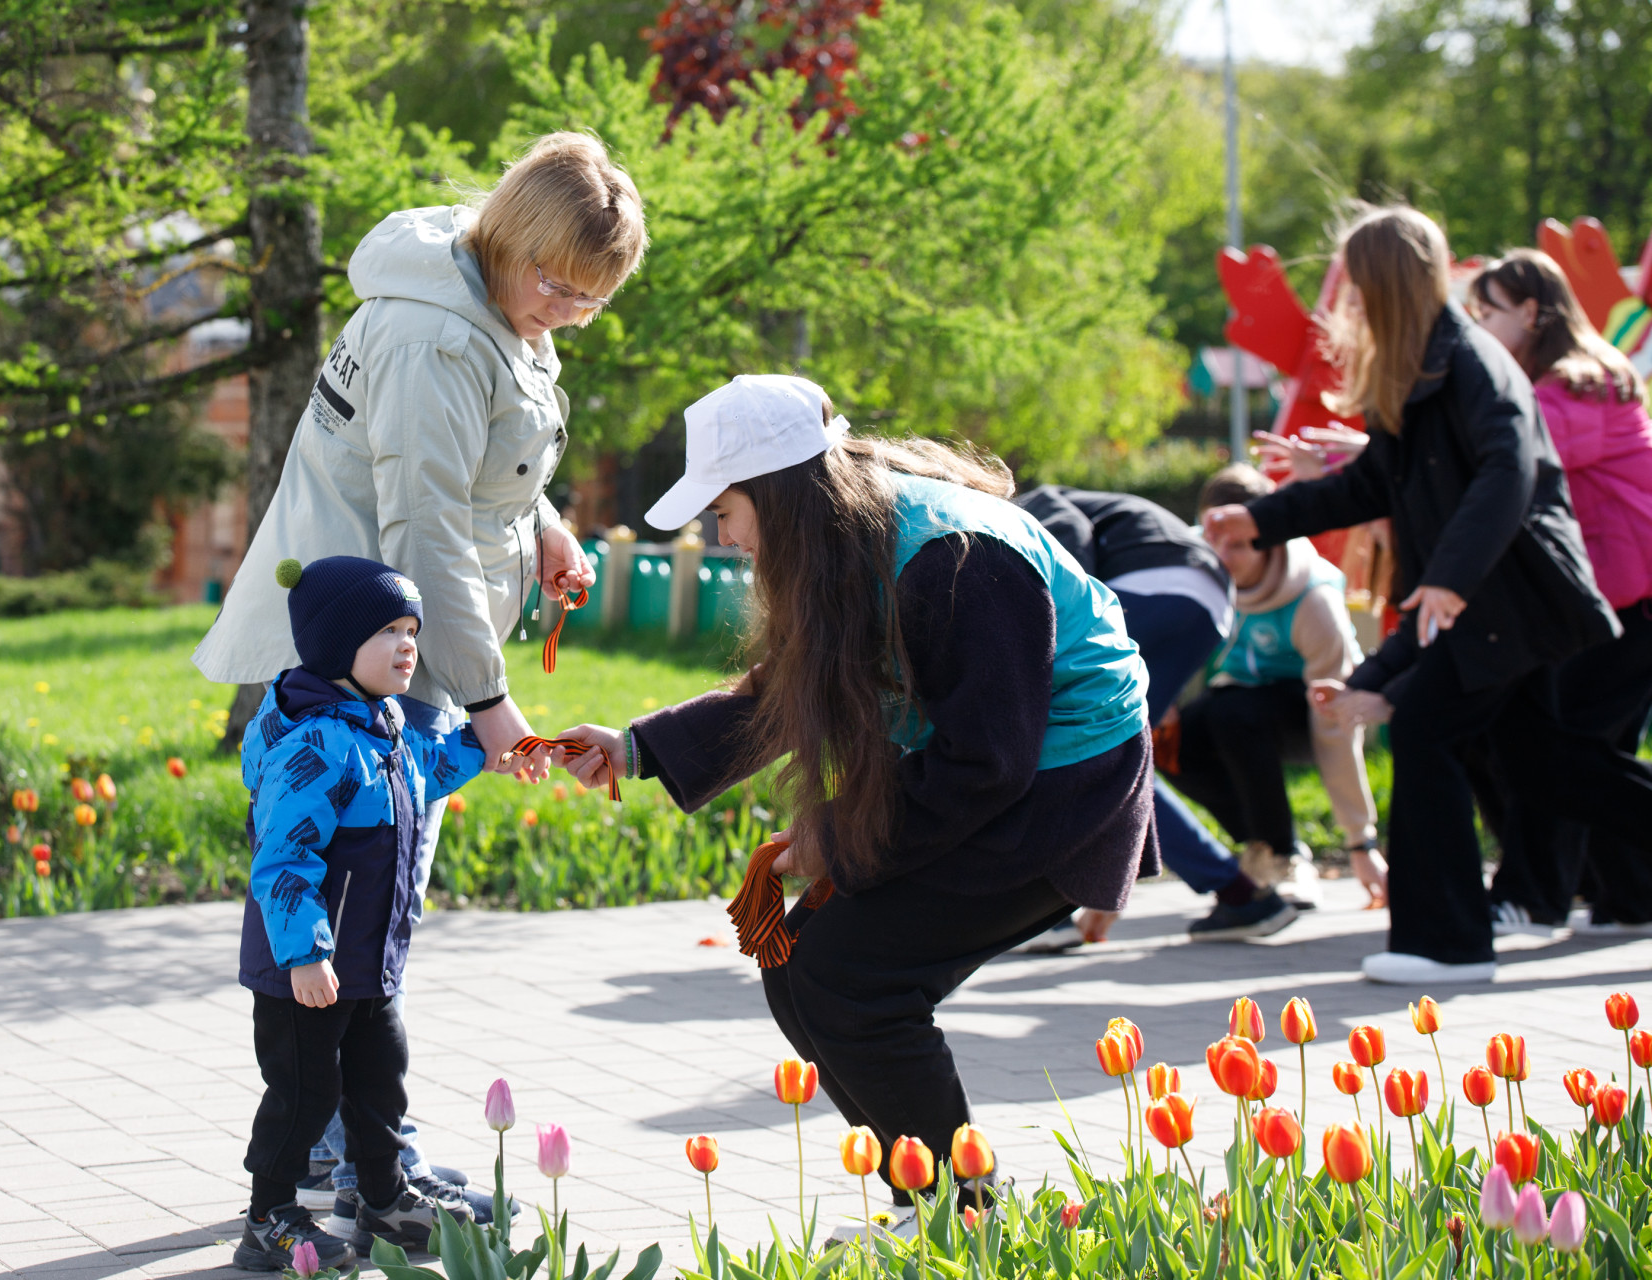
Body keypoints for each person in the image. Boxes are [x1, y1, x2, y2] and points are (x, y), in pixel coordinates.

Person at [559, 375, 1158, 1231]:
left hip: (1062, 791)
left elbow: (988, 761)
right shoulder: (852, 532)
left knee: (853, 977)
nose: (721, 537)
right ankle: (939, 1204)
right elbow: (801, 686)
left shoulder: (955, 560)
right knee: (802, 966)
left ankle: (960, 1212)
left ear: (779, 494)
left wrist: (837, 837)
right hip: (994, 778)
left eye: (725, 511)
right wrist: (636, 749)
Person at [194, 132, 647, 1215]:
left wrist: (542, 526)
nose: (571, 311)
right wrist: (490, 702)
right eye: (560, 283)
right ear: (516, 235)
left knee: (369, 915)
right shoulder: (431, 339)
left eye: (593, 297)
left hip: (395, 651)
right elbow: (426, 525)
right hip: (358, 671)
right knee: (347, 918)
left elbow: (476, 468)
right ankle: (349, 1154)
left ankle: (349, 1143)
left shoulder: (492, 301)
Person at [1204, 204, 1622, 985]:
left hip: (1506, 598)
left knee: (1429, 731)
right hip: (1484, 597)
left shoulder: (1471, 365)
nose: (1347, 303)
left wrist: (1446, 576)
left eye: (1357, 286)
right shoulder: (1419, 370)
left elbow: (1511, 472)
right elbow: (1370, 483)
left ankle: (1448, 944)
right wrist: (1258, 518)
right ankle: (1570, 905)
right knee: (1549, 763)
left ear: (1388, 282)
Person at [232, 556, 489, 1272]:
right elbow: (283, 861)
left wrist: (491, 746)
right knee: (304, 1096)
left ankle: (382, 1199)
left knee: (381, 1084)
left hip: (369, 966)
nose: (409, 644)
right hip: (306, 972)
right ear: (335, 644)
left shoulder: (383, 729)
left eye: (412, 629)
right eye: (387, 631)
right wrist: (307, 952)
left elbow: (431, 771)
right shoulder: (315, 747)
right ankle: (268, 1217)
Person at [1012, 484, 1297, 943]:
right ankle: (1242, 896)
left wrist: (1061, 633)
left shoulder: (1020, 505)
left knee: (1075, 744)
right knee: (1121, 753)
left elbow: (1068, 529)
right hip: (1207, 600)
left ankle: (1047, 912)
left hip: (1153, 585)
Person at [1466, 250, 1652, 933]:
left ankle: (1529, 894)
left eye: (1491, 310)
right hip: (1616, 594)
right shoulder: (1574, 378)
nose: (1480, 323)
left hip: (1630, 597)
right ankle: (1631, 895)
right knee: (1589, 750)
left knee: (1559, 751)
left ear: (1532, 311)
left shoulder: (1575, 386)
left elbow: (1505, 459)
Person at [1172, 465, 1384, 903]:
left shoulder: (1313, 599)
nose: (1221, 557)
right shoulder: (1193, 565)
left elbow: (1336, 724)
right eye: (1214, 541)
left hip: (1304, 713)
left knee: (1234, 710)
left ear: (1270, 537)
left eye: (1238, 545)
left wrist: (1359, 841)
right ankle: (1265, 846)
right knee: (1168, 736)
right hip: (1236, 708)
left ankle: (1286, 858)